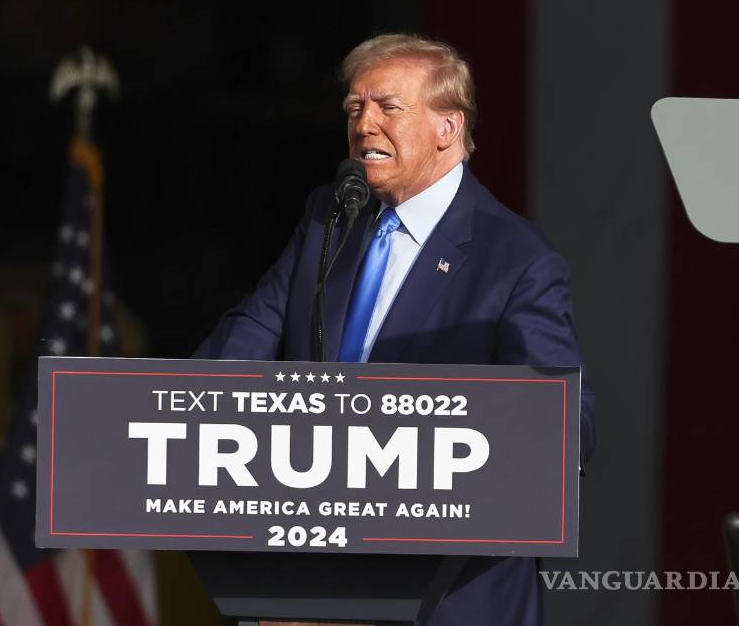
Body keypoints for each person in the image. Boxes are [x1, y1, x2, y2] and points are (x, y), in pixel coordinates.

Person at [194, 33, 595, 626]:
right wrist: (185, 409)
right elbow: (250, 332)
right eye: (355, 108)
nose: (364, 125)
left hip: (450, 596)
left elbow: (565, 426)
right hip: (312, 583)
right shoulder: (331, 215)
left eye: (388, 107)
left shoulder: (517, 260)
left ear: (448, 127)